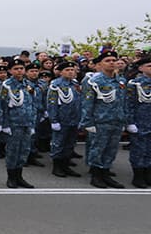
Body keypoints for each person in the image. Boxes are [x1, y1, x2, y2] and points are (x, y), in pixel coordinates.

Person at [80, 50, 128, 188]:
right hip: (100, 122)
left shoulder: (121, 81)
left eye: (114, 60)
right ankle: (96, 175)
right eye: (108, 61)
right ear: (100, 64)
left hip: (117, 120)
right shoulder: (94, 81)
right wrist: (87, 122)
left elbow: (123, 101)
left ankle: (106, 173)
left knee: (111, 149)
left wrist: (124, 119)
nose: (112, 63)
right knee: (97, 149)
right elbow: (87, 103)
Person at [0, 58, 37, 189]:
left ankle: (20, 177)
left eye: (21, 68)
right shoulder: (6, 85)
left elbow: (32, 104)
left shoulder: (28, 85)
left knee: (24, 150)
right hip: (14, 124)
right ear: (10, 70)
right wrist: (5, 125)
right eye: (16, 69)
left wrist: (32, 123)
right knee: (13, 151)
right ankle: (11, 178)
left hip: (26, 123)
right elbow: (2, 106)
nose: (19, 71)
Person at [48, 60, 83, 178]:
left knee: (70, 144)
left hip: (74, 119)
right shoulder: (56, 85)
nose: (70, 72)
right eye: (67, 70)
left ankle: (66, 165)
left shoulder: (75, 84)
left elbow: (79, 102)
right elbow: (52, 103)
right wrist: (54, 120)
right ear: (61, 72)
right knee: (58, 143)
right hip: (62, 120)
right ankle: (57, 167)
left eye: (72, 70)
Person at [125, 55, 151, 188]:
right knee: (139, 150)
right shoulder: (134, 84)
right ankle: (138, 176)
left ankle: (148, 173)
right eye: (149, 66)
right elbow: (129, 104)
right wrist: (130, 122)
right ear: (141, 68)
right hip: (140, 122)